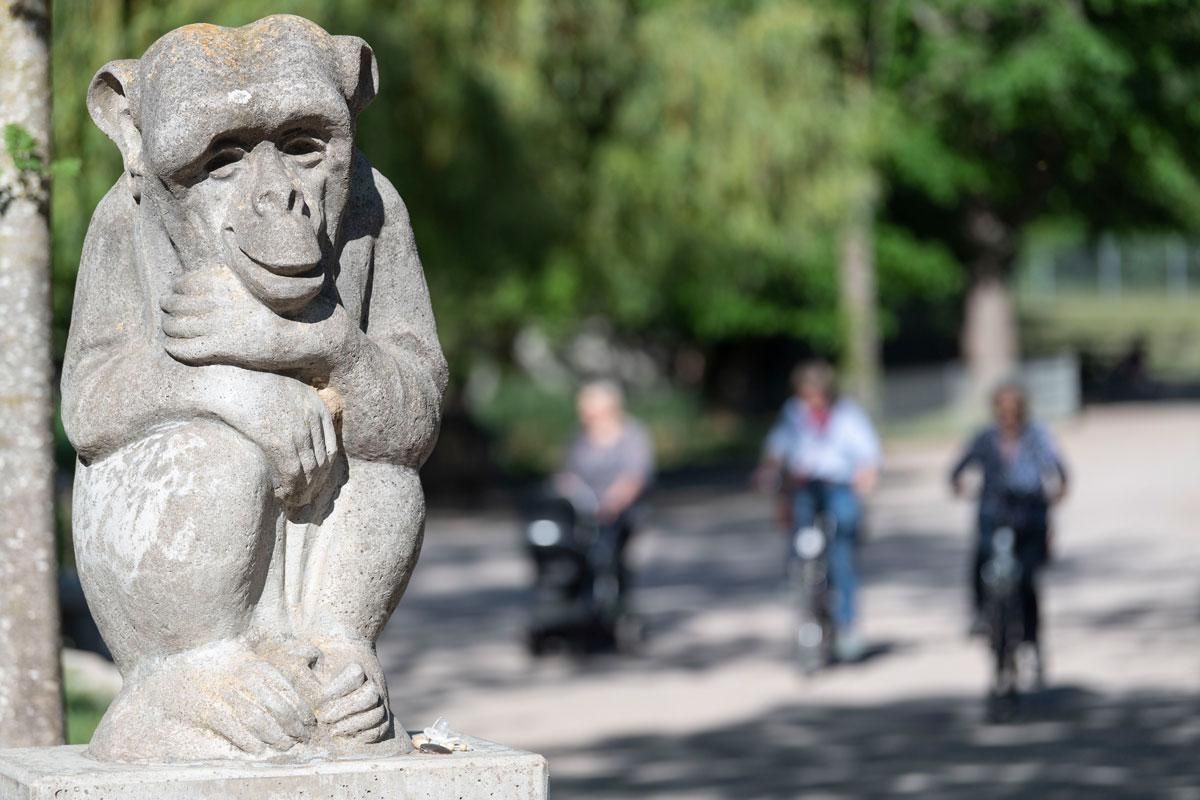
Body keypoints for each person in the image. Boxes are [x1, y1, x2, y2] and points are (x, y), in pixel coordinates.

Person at [756, 360, 882, 662]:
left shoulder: (847, 415)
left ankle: (848, 625)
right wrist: (768, 470)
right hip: (805, 486)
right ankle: (799, 590)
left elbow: (867, 452)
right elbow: (777, 448)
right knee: (798, 537)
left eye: (816, 394)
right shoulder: (793, 413)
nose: (811, 400)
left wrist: (866, 474)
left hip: (837, 484)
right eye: (806, 394)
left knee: (842, 547)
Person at [950, 382, 1068, 674]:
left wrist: (1057, 491)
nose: (1008, 415)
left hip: (1029, 514)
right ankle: (981, 614)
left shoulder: (1037, 436)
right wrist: (960, 485)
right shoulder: (986, 437)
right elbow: (959, 468)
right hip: (995, 511)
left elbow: (1058, 468)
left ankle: (1031, 639)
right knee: (982, 559)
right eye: (1003, 409)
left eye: (1013, 409)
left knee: (1027, 581)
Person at [555, 380, 655, 597]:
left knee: (609, 552)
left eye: (589, 412)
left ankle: (616, 597)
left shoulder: (631, 434)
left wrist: (613, 502)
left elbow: (635, 476)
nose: (584, 416)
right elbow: (569, 472)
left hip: (619, 510)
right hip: (583, 507)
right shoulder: (580, 436)